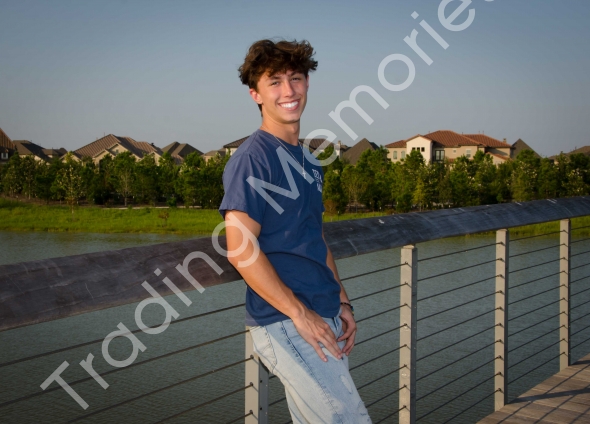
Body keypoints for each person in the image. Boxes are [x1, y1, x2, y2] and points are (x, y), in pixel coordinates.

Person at [219, 39, 371, 423]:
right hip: (285, 320)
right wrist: (299, 314)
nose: (288, 90)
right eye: (275, 82)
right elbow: (240, 248)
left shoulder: (308, 161)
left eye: (296, 78)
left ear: (307, 83)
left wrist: (342, 302)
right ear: (255, 94)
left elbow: (314, 238)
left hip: (322, 312)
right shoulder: (253, 159)